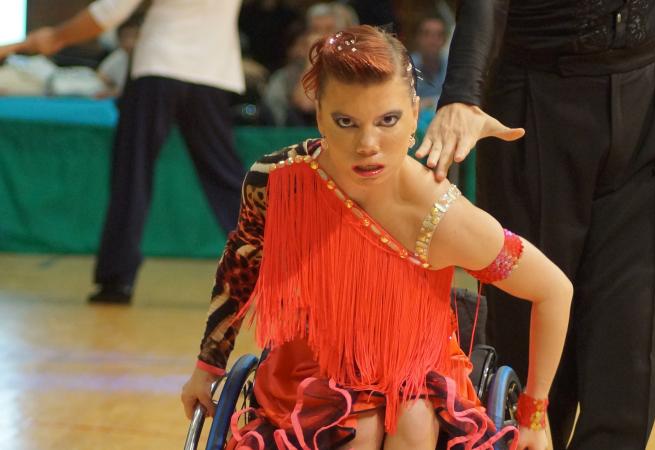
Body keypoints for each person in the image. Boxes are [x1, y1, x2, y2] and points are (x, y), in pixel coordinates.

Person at [180, 25, 572, 450]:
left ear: (414, 110)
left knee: (413, 418)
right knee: (358, 428)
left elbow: (554, 290)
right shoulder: (277, 183)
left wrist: (534, 412)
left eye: (388, 120)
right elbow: (241, 265)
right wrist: (208, 365)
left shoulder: (440, 215)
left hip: (414, 370)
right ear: (318, 115)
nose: (368, 144)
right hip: (307, 371)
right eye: (345, 122)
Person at [416, 1, 655, 449]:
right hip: (534, 109)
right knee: (530, 366)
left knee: (632, 359)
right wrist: (463, 92)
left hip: (645, 99)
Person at [0, 0, 247, 304]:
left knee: (132, 174)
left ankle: (117, 281)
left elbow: (109, 11)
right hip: (213, 73)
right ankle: (274, 268)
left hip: (160, 66)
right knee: (226, 178)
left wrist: (57, 36)